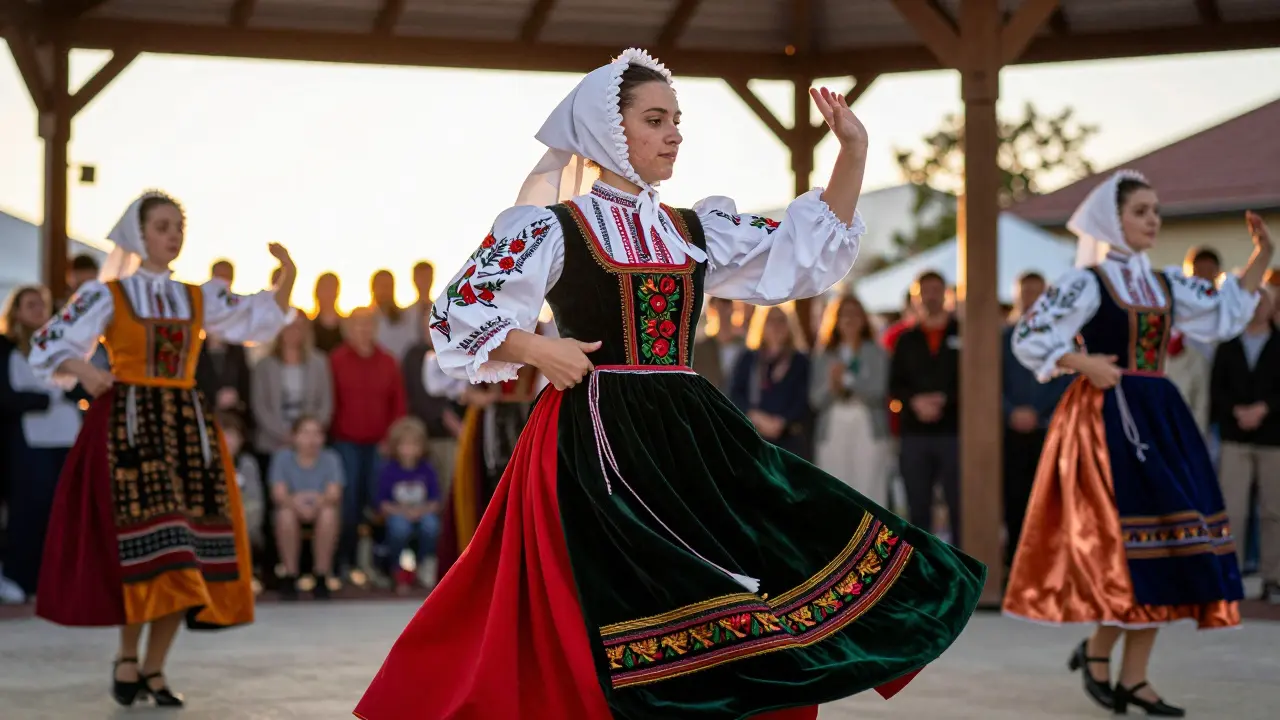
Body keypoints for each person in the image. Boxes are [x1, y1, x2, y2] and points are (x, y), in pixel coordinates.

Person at [355, 48, 984, 720]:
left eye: (676, 120)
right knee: (626, 600)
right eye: (655, 120)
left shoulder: (692, 229)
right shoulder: (553, 227)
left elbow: (802, 250)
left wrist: (851, 151)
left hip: (690, 434)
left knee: (772, 555)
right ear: (609, 131)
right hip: (596, 442)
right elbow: (457, 308)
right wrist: (538, 347)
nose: (674, 134)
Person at [1005, 170, 1273, 716]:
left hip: (1159, 414)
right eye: (1141, 211)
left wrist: (1261, 255)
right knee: (1129, 549)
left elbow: (1225, 310)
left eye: (1156, 211)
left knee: (1168, 543)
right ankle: (1108, 658)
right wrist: (1081, 362)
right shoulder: (1088, 282)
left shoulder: (1166, 283)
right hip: (1108, 419)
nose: (1153, 220)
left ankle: (1126, 671)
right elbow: (1030, 333)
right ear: (1113, 220)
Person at [27, 191, 296, 708]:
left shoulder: (196, 297)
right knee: (151, 548)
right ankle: (129, 655)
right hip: (130, 428)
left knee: (186, 550)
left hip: (186, 429)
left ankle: (153, 666)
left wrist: (288, 276)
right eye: (162, 226)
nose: (173, 235)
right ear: (139, 233)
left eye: (178, 227)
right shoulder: (108, 295)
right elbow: (47, 343)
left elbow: (255, 318)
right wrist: (86, 370)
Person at [0, 285, 80, 598]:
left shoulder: (62, 344)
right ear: (16, 312)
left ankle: (58, 578)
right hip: (29, 442)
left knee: (63, 511)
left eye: (42, 304)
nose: (38, 310)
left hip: (66, 438)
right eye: (30, 305)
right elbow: (7, 397)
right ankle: (20, 577)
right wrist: (46, 398)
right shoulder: (6, 349)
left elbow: (79, 386)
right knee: (30, 509)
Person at [1212, 286, 1280, 602]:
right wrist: (1236, 411)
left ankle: (1273, 577)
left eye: (1263, 302)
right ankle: (1230, 574)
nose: (1257, 308)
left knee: (1274, 510)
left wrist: (1265, 408)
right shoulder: (1227, 346)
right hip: (1234, 437)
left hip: (1273, 438)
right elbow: (1217, 390)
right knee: (1232, 509)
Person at [1001, 272, 1071, 570]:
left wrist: (1038, 412)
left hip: (1048, 430)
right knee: (1015, 500)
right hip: (1011, 433)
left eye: (1037, 292)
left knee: (1050, 499)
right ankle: (1017, 566)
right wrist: (1011, 412)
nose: (1031, 297)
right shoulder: (1003, 337)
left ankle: (1050, 566)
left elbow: (1067, 381)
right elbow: (991, 380)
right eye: (1026, 291)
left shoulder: (1061, 338)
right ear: (1016, 296)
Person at [889, 270, 961, 543]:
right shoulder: (905, 338)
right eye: (924, 291)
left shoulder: (963, 333)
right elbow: (894, 384)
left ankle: (961, 563)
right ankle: (923, 564)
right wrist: (914, 402)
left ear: (946, 294)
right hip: (915, 435)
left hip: (954, 433)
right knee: (918, 509)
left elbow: (974, 379)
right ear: (915, 297)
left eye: (936, 290)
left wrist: (946, 400)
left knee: (959, 506)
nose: (931, 296)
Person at [810, 293, 890, 504]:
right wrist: (832, 385)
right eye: (844, 314)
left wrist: (848, 380)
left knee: (869, 490)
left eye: (855, 314)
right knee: (836, 490)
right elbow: (815, 400)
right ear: (835, 320)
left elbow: (878, 391)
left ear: (864, 319)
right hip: (833, 425)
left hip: (867, 424)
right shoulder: (824, 354)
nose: (850, 319)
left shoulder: (877, 352)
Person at [270, 415, 344, 600]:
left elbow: (334, 494)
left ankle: (321, 575)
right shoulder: (282, 457)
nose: (311, 439)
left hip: (321, 509)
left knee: (329, 514)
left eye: (317, 433)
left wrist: (315, 503)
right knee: (285, 515)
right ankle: (290, 574)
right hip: (292, 508)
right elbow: (279, 494)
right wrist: (297, 503)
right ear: (294, 436)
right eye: (305, 433)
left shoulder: (331, 458)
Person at [730, 305, 812, 458]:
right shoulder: (749, 358)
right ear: (761, 324)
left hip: (789, 440)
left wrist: (781, 421)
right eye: (770, 320)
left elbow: (803, 397)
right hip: (754, 436)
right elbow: (735, 393)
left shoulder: (800, 361)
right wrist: (755, 416)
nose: (776, 326)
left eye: (781, 320)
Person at [376, 416, 442, 592]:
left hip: (422, 512)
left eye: (414, 445)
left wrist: (420, 511)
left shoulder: (427, 469)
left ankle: (424, 564)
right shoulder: (388, 470)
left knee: (431, 525)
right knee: (399, 528)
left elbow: (435, 501)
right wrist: (403, 511)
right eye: (404, 445)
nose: (409, 450)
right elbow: (382, 504)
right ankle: (397, 569)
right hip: (397, 513)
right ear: (395, 446)